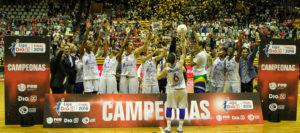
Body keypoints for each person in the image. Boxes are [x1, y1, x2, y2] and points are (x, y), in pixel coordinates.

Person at [157, 35, 186, 133]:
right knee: (182, 108)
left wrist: (158, 69)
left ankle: (169, 127)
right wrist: (182, 42)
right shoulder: (180, 64)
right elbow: (184, 53)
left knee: (169, 107)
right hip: (182, 90)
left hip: (172, 90)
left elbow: (158, 77)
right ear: (175, 59)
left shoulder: (166, 69)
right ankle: (180, 128)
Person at [99, 24, 130, 94]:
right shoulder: (107, 56)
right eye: (115, 48)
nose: (115, 49)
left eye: (117, 49)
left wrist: (127, 35)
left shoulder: (117, 59)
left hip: (111, 77)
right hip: (103, 76)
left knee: (110, 95)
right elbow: (104, 44)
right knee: (101, 94)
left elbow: (123, 47)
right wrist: (107, 32)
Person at [79, 19, 102, 94]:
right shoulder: (82, 53)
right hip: (87, 78)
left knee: (95, 94)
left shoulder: (93, 52)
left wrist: (101, 32)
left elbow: (98, 42)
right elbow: (84, 41)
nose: (91, 44)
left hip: (95, 76)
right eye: (89, 44)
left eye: (91, 43)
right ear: (85, 46)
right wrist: (88, 29)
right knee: (88, 95)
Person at [190, 28, 207, 93]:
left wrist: (191, 55)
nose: (196, 46)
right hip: (201, 74)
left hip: (199, 76)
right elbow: (199, 41)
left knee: (199, 93)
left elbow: (191, 64)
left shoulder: (200, 55)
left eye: (198, 45)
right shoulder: (204, 51)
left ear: (200, 46)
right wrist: (194, 33)